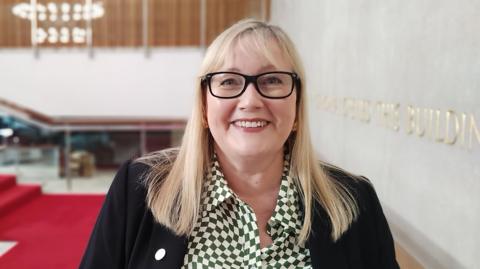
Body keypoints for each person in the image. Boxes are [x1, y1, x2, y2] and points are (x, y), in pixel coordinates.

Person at [79, 19, 399, 269]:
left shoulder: (355, 201)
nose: (250, 101)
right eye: (229, 81)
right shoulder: (140, 188)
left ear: (298, 106)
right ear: (204, 106)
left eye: (272, 80)